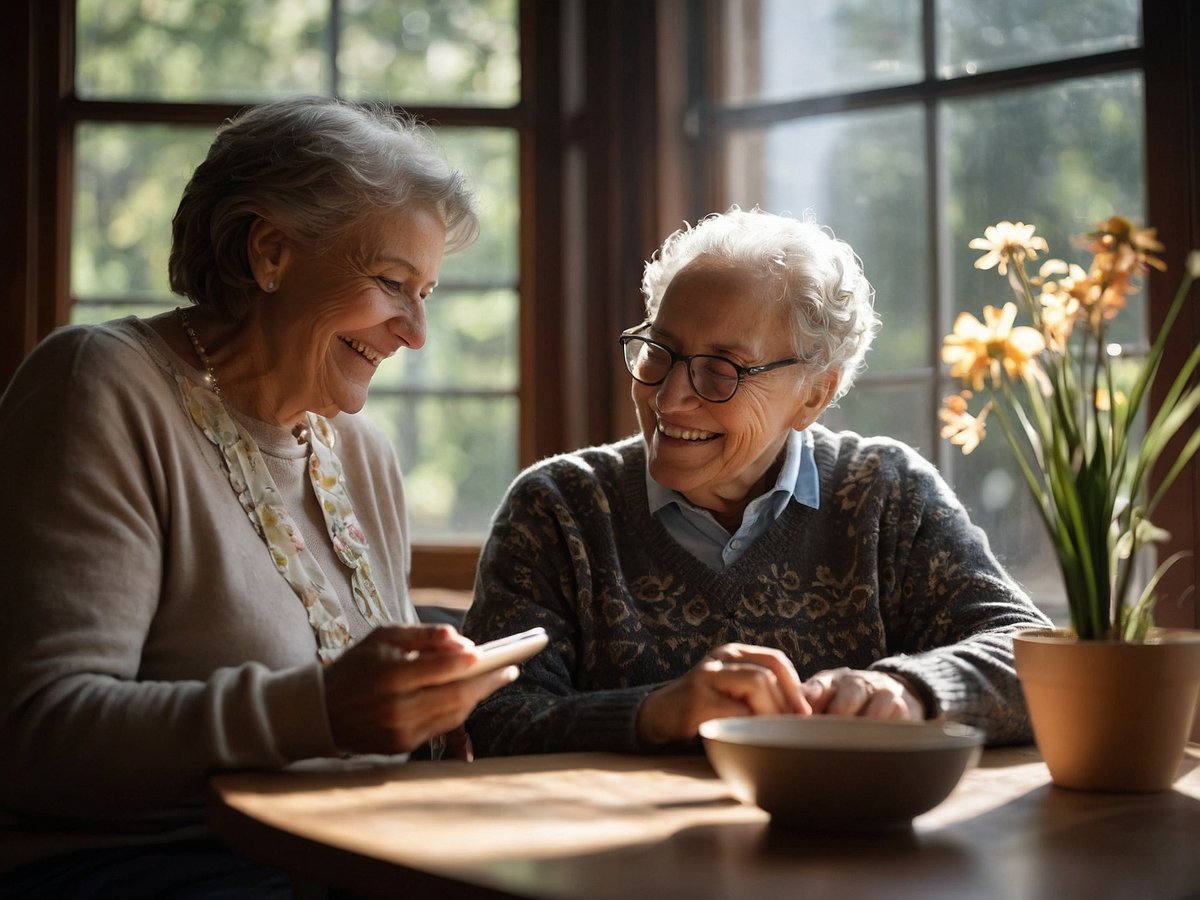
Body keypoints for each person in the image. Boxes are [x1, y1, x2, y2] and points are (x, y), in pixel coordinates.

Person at [0, 97, 517, 897]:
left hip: (341, 851)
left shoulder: (363, 455)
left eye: (428, 295)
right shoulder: (99, 386)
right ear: (270, 251)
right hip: (143, 865)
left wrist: (430, 721)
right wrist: (322, 712)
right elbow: (38, 737)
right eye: (391, 284)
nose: (414, 332)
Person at [462, 206, 1054, 756]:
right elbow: (491, 720)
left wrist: (910, 691)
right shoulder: (558, 509)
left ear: (814, 395)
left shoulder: (886, 493)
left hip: (848, 854)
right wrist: (654, 712)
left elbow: (1034, 657)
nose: (668, 398)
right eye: (658, 351)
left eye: (721, 370)